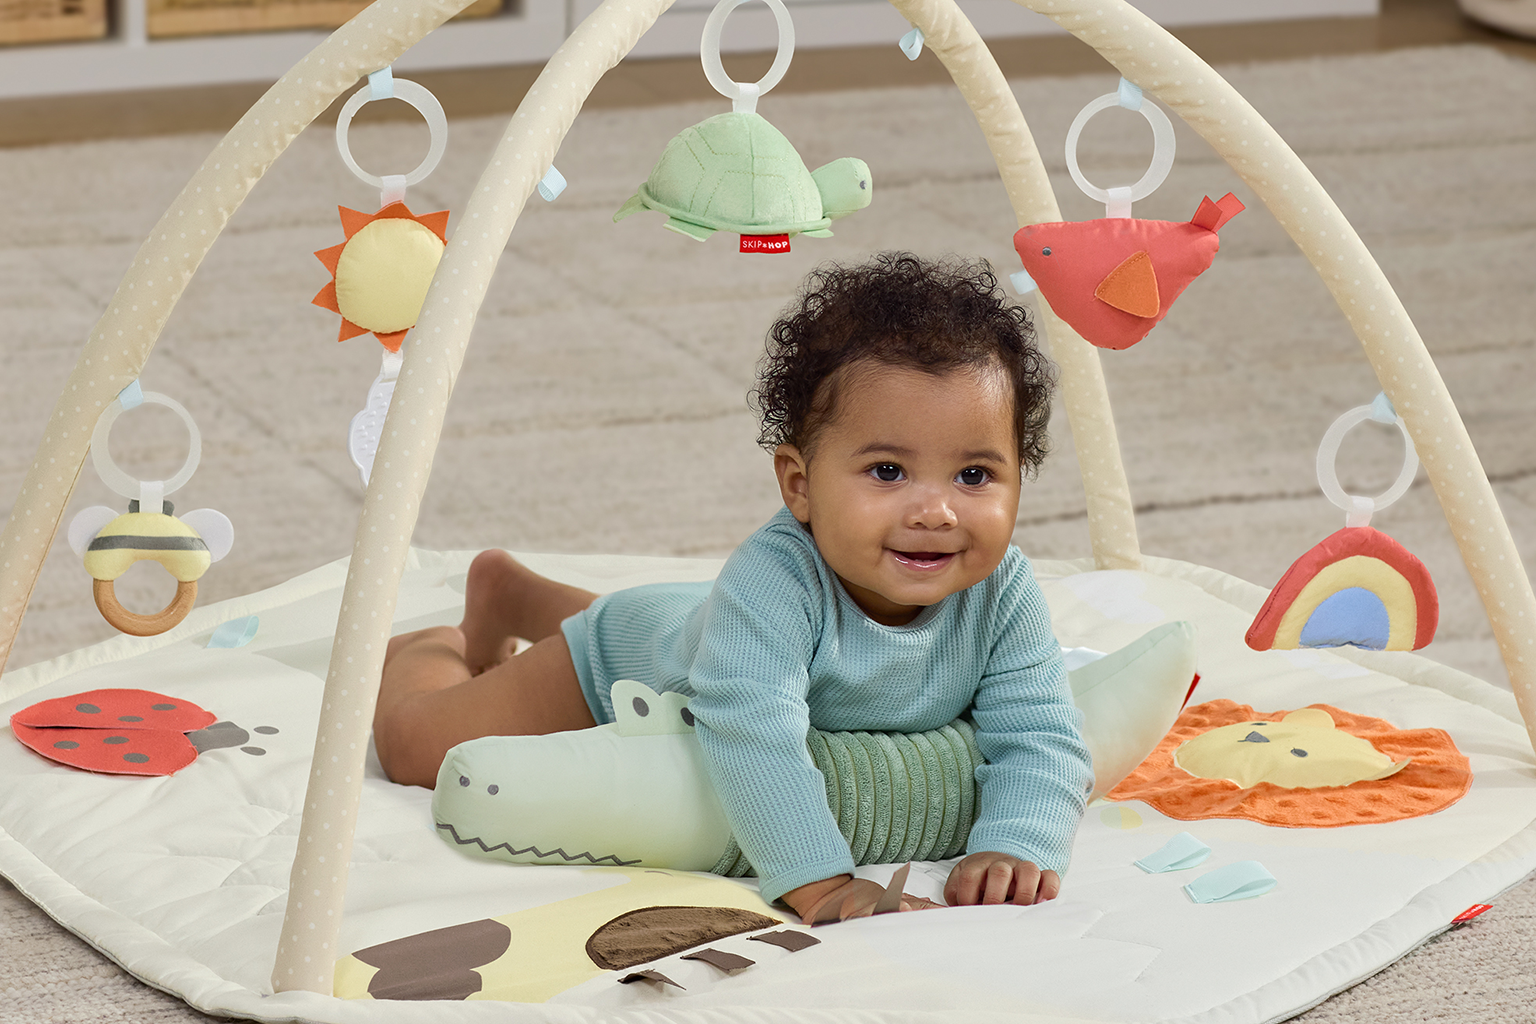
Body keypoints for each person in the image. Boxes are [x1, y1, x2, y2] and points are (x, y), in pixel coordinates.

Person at [373, 252, 1093, 924]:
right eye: (887, 472)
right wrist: (820, 877)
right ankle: (429, 646)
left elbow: (1042, 733)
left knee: (697, 628)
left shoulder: (1002, 590)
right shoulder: (772, 582)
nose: (936, 512)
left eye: (974, 475)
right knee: (413, 750)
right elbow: (754, 734)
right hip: (620, 663)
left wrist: (1016, 840)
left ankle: (512, 592)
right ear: (799, 485)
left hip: (702, 626)